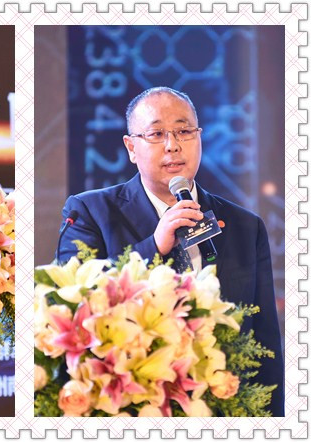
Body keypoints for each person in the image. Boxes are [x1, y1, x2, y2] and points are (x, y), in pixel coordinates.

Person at [56, 86, 284, 417]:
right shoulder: (90, 212)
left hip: (223, 411)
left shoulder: (245, 226)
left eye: (184, 131)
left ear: (199, 137)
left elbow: (265, 342)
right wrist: (155, 245)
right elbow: (72, 303)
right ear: (131, 147)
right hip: (128, 409)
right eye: (156, 134)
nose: (173, 144)